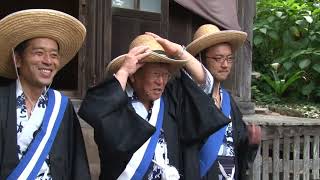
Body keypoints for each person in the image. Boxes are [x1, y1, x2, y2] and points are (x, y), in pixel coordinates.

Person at [78, 33, 231, 179]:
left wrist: (179, 52)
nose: (161, 82)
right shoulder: (117, 104)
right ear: (134, 74)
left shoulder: (170, 99)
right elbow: (93, 111)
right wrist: (124, 70)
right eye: (156, 74)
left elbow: (204, 82)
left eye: (165, 75)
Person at [0, 9, 91, 179]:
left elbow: (77, 165)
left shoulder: (61, 106)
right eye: (39, 53)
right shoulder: (2, 101)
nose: (48, 61)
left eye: (54, 55)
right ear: (17, 59)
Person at [186, 24, 261, 180]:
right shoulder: (188, 99)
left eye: (229, 59)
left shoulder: (228, 101)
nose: (225, 65)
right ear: (200, 58)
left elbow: (238, 147)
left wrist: (251, 142)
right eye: (218, 58)